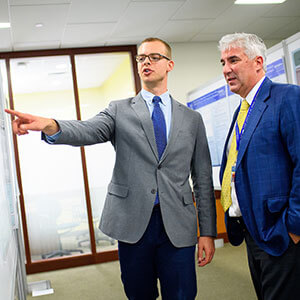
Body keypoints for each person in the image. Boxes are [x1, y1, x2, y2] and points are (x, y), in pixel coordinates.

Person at [6, 37, 216, 300]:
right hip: (132, 222)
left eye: (153, 57)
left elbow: (203, 178)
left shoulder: (192, 119)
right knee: (139, 293)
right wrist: (50, 124)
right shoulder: (120, 110)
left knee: (182, 294)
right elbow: (87, 130)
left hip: (178, 223)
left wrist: (207, 231)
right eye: (141, 58)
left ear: (169, 65)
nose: (146, 62)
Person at [219, 32, 300, 300]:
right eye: (222, 63)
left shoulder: (287, 98)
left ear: (258, 62)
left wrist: (294, 227)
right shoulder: (242, 110)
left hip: (281, 233)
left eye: (233, 60)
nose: (226, 69)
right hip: (253, 232)